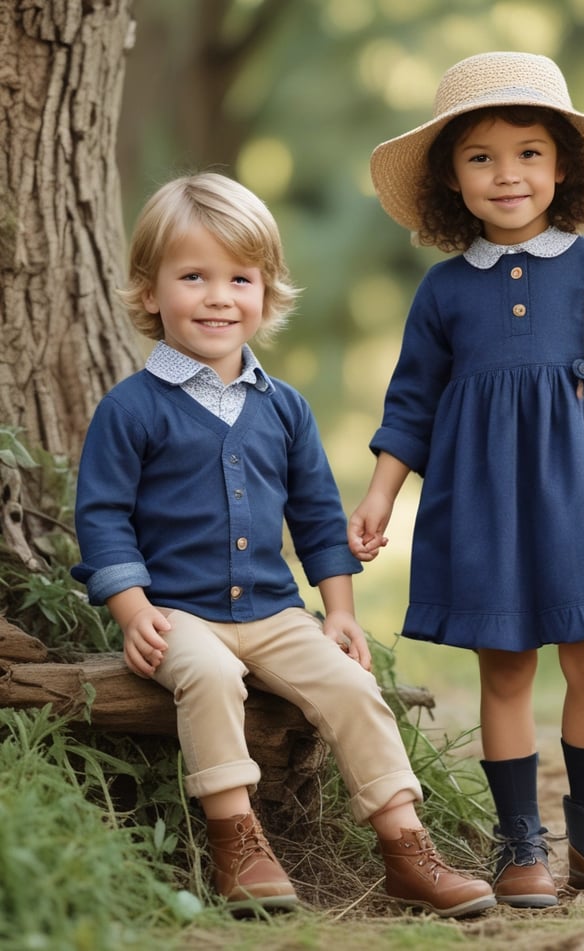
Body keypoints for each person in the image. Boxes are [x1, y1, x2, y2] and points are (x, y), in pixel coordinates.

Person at [71, 172, 495, 918]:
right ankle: (238, 840)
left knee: (353, 687)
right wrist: (133, 611)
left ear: (266, 293)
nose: (217, 296)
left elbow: (316, 515)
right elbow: (103, 517)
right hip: (179, 614)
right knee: (207, 676)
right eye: (192, 276)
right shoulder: (130, 408)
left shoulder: (285, 407)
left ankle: (406, 847)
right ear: (148, 292)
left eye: (240, 278)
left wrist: (338, 612)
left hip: (274, 610)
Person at [348, 52, 584, 908]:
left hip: (580, 494)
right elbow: (411, 402)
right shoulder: (444, 289)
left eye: (529, 152)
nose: (508, 174)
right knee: (505, 666)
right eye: (482, 157)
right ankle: (519, 842)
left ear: (561, 164)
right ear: (451, 180)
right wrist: (381, 495)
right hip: (482, 500)